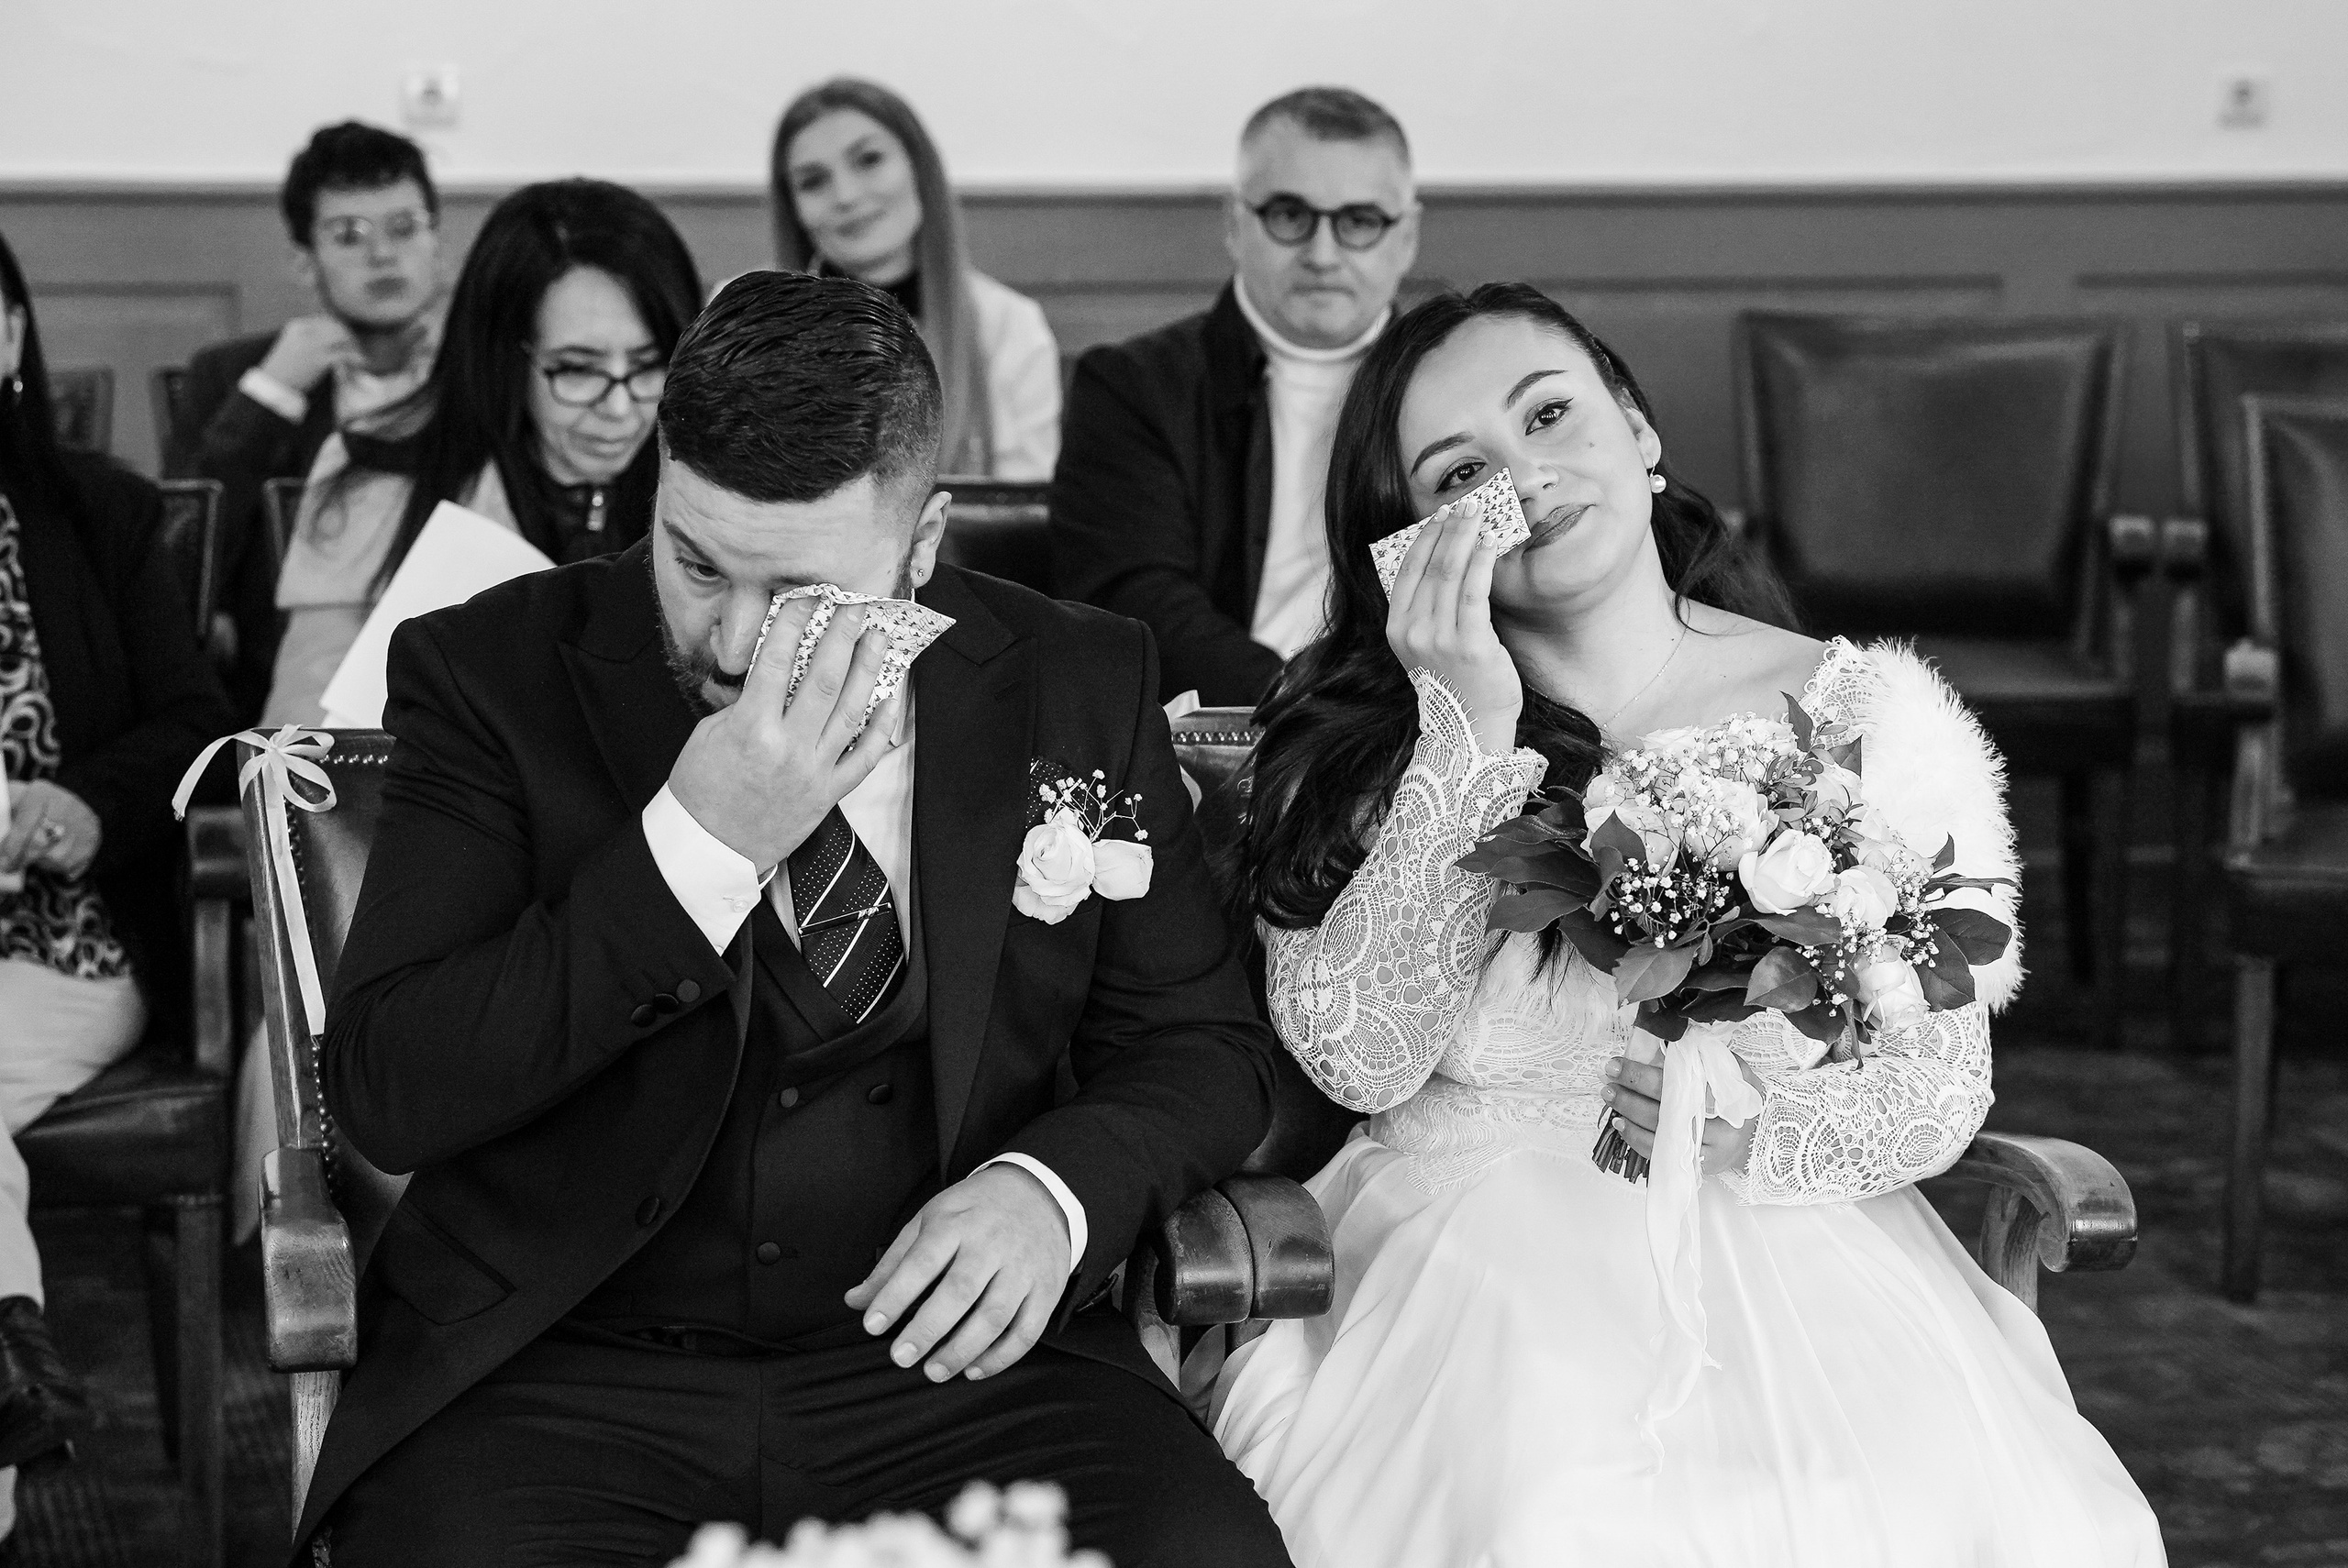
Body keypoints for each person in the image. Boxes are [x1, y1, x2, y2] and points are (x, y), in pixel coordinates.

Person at [294, 271, 1291, 1568]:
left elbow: (1203, 1048)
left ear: (923, 543)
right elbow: (392, 1087)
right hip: (561, 1371)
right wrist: (694, 845)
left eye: (807, 592)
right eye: (694, 560)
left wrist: (1055, 1193)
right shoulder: (488, 673)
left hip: (965, 1366)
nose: (732, 640)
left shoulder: (1075, 676)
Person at [1212, 284, 2166, 1566]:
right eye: (1460, 472)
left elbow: (1941, 1087)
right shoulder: (1368, 743)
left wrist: (1751, 1130)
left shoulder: (1859, 710)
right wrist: (1467, 728)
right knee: (1562, 1515)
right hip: (1471, 1265)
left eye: (1549, 414)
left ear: (1640, 429)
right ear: (1416, 539)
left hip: (1795, 1241)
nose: (1525, 475)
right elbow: (1357, 1060)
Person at [0, 233, 237, 1542]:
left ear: (13, 339)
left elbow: (194, 723)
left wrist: (85, 802)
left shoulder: (97, 513)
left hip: (57, 933)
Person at [260, 177, 701, 727]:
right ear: (503, 359)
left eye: (648, 365)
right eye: (577, 369)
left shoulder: (714, 475)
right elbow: (301, 748)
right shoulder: (383, 471)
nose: (619, 408)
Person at [1051, 87, 1419, 706]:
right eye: (1288, 215)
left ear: (1406, 237)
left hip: (1422, 724)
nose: (1323, 254)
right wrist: (1305, 710)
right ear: (1233, 224)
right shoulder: (1131, 386)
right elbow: (1134, 602)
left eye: (1358, 221)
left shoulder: (1459, 388)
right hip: (1219, 736)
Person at [167, 122, 448, 720]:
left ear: (436, 243)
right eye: (349, 234)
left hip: (455, 687)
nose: (382, 254)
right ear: (304, 262)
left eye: (404, 228)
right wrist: (269, 396)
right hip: (282, 695)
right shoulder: (233, 375)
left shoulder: (480, 375)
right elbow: (183, 569)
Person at [772, 77, 1060, 480]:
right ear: (794, 210)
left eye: (869, 160)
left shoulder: (1010, 326)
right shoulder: (752, 322)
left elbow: (1018, 519)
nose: (846, 196)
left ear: (919, 168)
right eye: (813, 181)